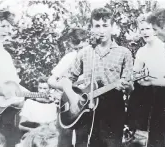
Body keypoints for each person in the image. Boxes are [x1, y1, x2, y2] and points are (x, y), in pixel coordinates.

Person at [57, 7, 134, 147]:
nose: (101, 30)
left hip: (113, 109)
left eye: (105, 25)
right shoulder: (85, 52)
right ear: (91, 28)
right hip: (85, 110)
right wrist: (73, 97)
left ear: (112, 27)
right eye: (97, 26)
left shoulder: (124, 53)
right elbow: (67, 78)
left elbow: (129, 88)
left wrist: (127, 86)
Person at [0, 9, 27, 147]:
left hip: (4, 112)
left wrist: (38, 96)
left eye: (9, 26)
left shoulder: (5, 55)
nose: (7, 30)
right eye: (3, 25)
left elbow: (14, 84)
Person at [128, 20, 165, 147]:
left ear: (155, 29)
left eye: (148, 28)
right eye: (142, 29)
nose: (145, 32)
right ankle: (137, 133)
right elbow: (135, 73)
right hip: (148, 92)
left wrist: (153, 81)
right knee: (139, 90)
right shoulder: (142, 51)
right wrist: (137, 78)